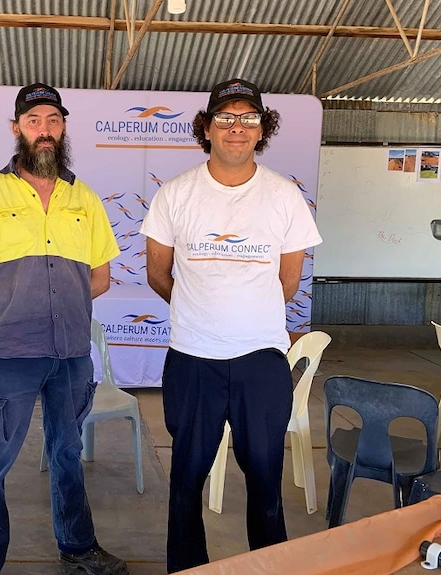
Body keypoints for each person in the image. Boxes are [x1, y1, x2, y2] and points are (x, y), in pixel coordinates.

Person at [0, 83, 128, 575]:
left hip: (69, 354)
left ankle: (78, 548)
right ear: (16, 130)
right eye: (33, 121)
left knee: (68, 454)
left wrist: (57, 311)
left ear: (63, 127)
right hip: (5, 357)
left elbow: (101, 276)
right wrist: (8, 320)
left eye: (52, 120)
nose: (43, 130)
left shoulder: (83, 197)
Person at [140, 78, 322, 572]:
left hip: (260, 359)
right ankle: (187, 566)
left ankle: (269, 566)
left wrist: (243, 314)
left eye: (248, 119)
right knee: (187, 480)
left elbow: (287, 281)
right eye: (225, 118)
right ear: (207, 127)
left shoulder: (284, 196)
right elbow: (158, 272)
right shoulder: (175, 194)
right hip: (192, 360)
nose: (236, 128)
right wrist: (202, 309)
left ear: (263, 129)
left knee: (265, 481)